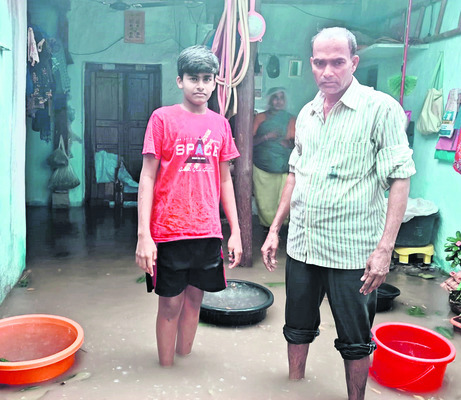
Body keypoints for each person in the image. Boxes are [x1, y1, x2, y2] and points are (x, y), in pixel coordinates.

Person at [261, 27, 415, 400]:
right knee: (296, 326)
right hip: (303, 245)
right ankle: (294, 387)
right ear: (311, 64)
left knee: (355, 339)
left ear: (354, 62)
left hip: (352, 251)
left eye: (337, 62)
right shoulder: (308, 114)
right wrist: (275, 229)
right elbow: (294, 174)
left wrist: (385, 249)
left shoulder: (380, 109)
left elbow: (400, 177)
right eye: (319, 63)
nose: (327, 71)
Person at [135, 45, 243, 367]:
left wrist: (235, 232)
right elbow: (147, 177)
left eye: (207, 78)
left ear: (215, 82)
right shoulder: (162, 119)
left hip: (207, 232)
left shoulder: (220, 125)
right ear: (179, 80)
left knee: (195, 301)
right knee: (170, 305)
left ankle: (183, 363)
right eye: (193, 78)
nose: (200, 85)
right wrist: (144, 236)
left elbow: (225, 181)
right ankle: (166, 369)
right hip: (168, 232)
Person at [252, 87, 296, 231]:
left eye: (281, 98)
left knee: (282, 198)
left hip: (283, 166)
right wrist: (267, 137)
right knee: (264, 200)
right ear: (270, 100)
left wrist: (287, 144)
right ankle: (267, 228)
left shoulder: (291, 119)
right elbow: (249, 142)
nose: (278, 101)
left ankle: (280, 229)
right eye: (275, 97)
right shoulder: (260, 118)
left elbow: (296, 143)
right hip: (261, 166)